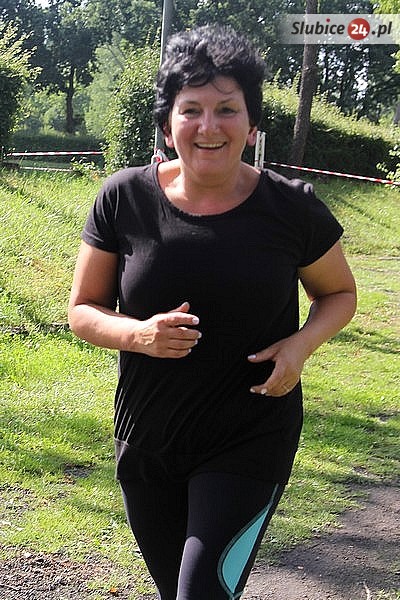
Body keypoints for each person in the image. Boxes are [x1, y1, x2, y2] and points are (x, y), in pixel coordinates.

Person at [68, 24, 357, 600]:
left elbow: (339, 295)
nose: (208, 126)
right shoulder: (124, 198)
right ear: (167, 125)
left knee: (201, 593)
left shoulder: (291, 208)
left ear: (252, 127)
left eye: (227, 110)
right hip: (148, 438)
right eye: (191, 110)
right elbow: (82, 310)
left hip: (250, 437)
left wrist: (300, 346)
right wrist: (140, 334)